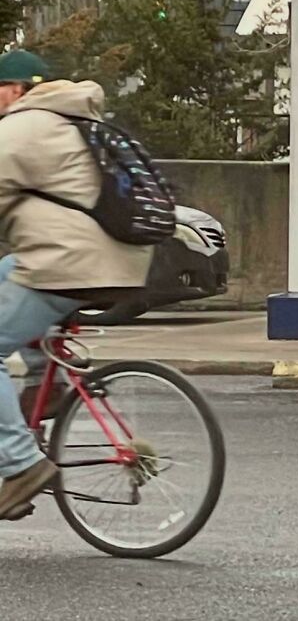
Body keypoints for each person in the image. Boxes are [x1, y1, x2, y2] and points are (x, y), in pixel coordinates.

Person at [0, 50, 152, 521]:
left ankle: (20, 463)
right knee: (9, 274)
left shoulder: (20, 129)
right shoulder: (75, 121)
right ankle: (45, 389)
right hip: (119, 261)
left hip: (67, 265)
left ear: (17, 90)